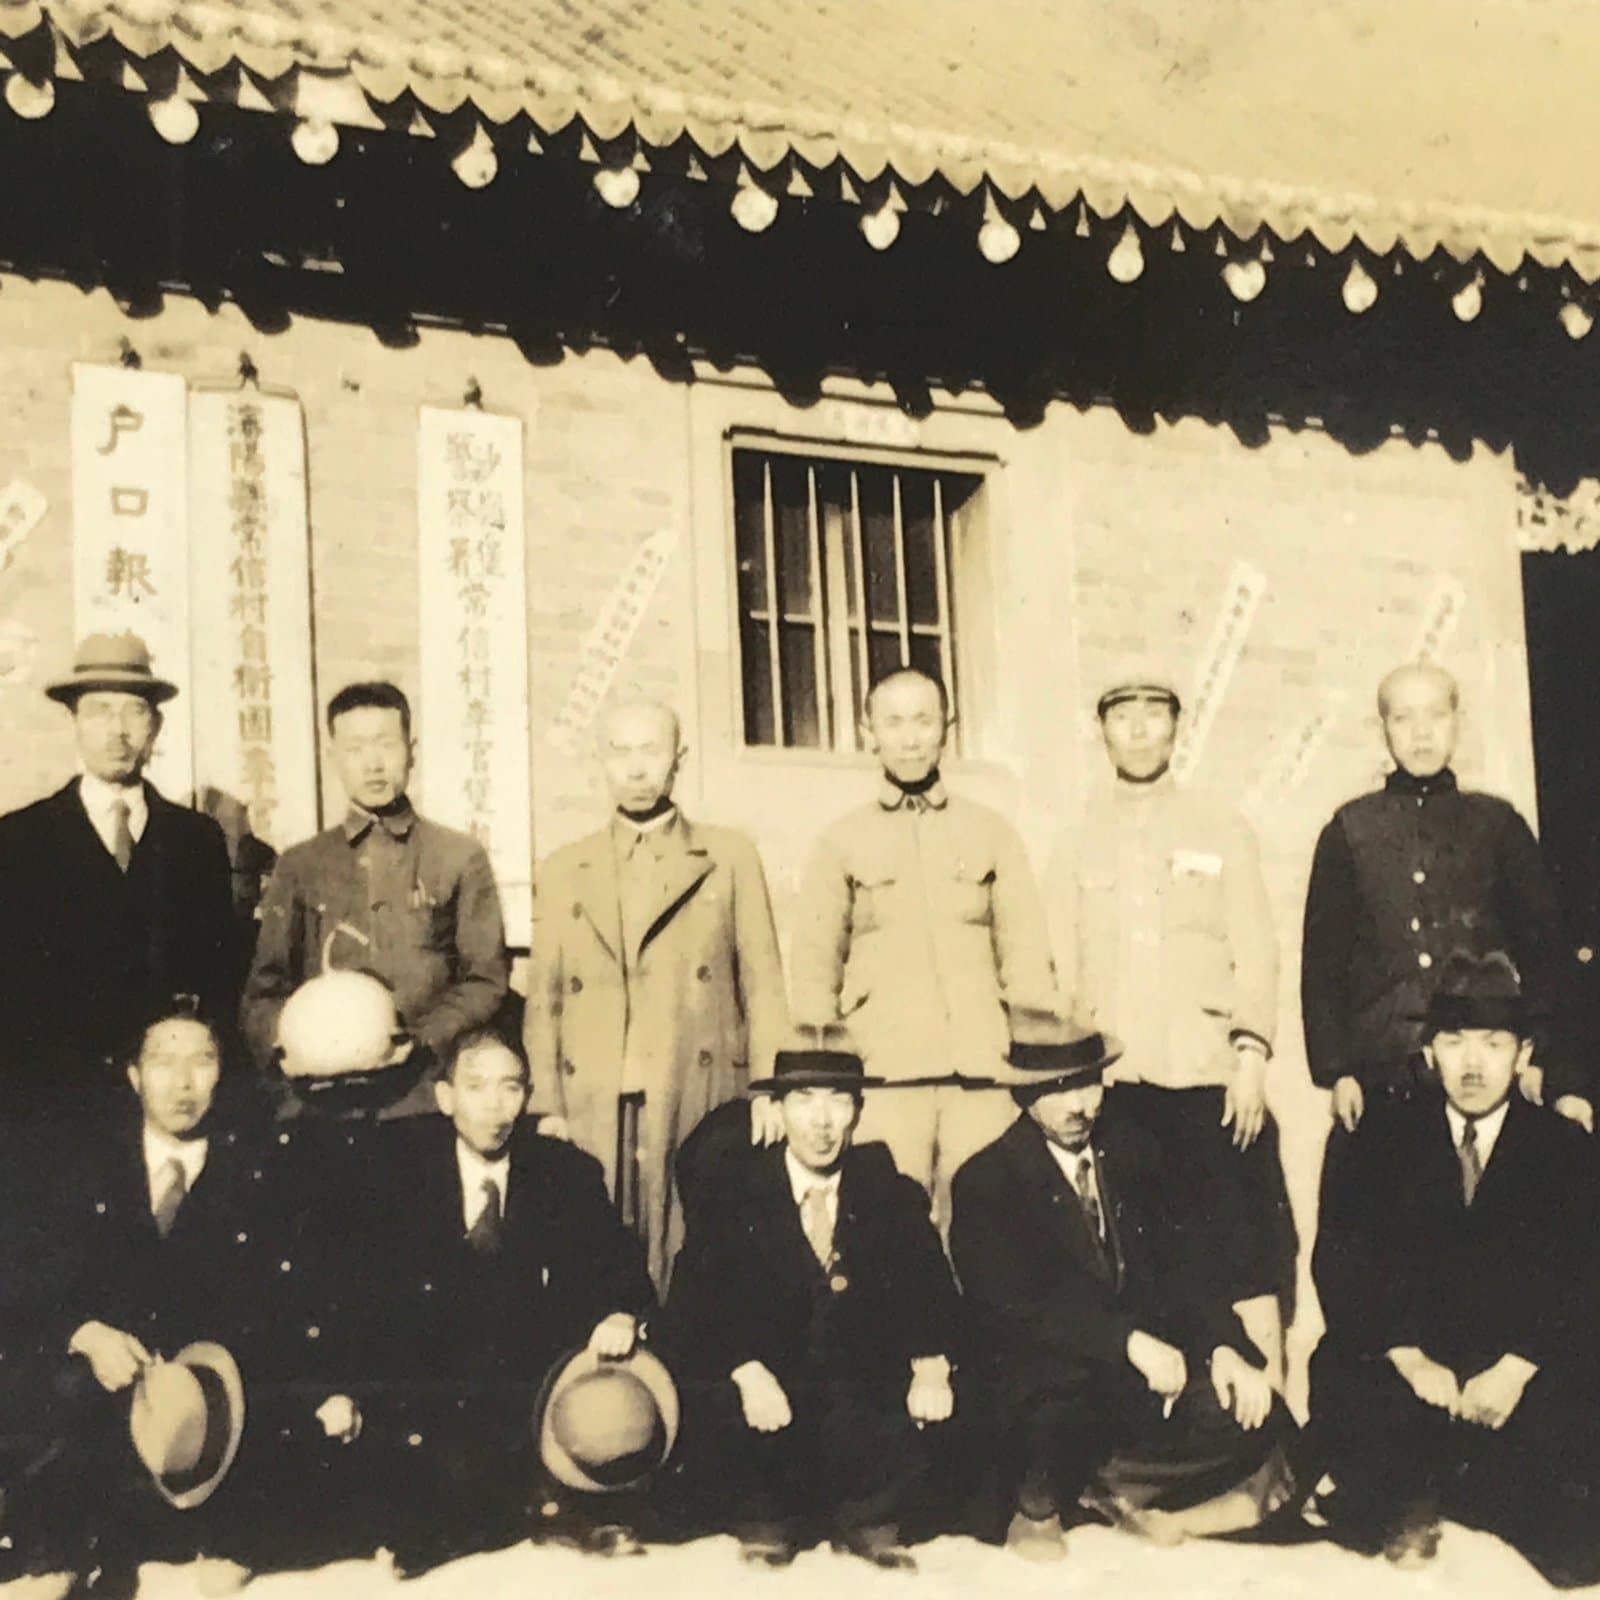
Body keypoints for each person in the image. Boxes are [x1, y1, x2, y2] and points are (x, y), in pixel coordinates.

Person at [0, 999, 352, 1590]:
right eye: (164, 1062)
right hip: (90, 1434)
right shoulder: (80, 1168)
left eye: (203, 1061)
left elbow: (292, 1323)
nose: (184, 1083)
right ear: (135, 1076)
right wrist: (84, 1333)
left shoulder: (264, 1176)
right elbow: (22, 1285)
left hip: (204, 1447)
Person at [949, 1013, 1296, 1562]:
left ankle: (1112, 1494)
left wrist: (1223, 1350)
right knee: (1049, 1414)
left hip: (1136, 1394)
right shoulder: (985, 1180)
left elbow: (1184, 1270)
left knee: (1260, 1414)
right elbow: (1021, 1310)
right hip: (1052, 1384)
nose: (1081, 1105)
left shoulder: (1134, 1152)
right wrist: (1129, 1342)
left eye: (1089, 1083)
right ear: (1022, 1094)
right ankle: (1073, 1491)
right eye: (1059, 1089)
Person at [1309, 951, 1600, 1583]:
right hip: (1415, 1365)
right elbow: (1339, 1261)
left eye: (1493, 1044)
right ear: (1430, 1052)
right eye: (1454, 1042)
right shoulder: (1377, 1135)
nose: (1472, 1064)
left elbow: (1584, 1279)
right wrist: (1406, 1353)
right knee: (1353, 1391)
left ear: (1523, 1055)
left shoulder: (1565, 1148)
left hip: (1514, 1369)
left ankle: (1461, 1490)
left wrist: (1518, 1366)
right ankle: (1421, 1493)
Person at [1045, 670, 1293, 1375]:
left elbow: (1256, 949)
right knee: (1144, 1256)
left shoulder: (1220, 826)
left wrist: (1250, 1060)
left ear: (1177, 728)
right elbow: (1058, 971)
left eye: (1156, 715)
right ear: (1104, 732)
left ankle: (1269, 1424)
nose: (1140, 730)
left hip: (1207, 1080)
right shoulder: (1077, 840)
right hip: (1119, 1087)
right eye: (1124, 716)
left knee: (1241, 1254)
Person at [354, 1031, 659, 1573]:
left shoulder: (566, 1172)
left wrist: (619, 1312)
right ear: (446, 1098)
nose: (495, 1107)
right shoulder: (394, 1166)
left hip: (530, 1377)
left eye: (511, 1088)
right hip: (430, 1379)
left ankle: (547, 1502)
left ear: (527, 1095)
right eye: (476, 1088)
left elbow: (620, 1264)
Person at [661, 1038, 960, 1569]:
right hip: (769, 1398)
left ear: (858, 1113)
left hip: (855, 1398)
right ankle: (765, 1515)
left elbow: (932, 1292)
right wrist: (747, 1370)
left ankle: (869, 1516)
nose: (822, 1121)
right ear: (775, 1111)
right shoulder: (733, 1195)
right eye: (803, 1100)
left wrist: (931, 1365)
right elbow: (693, 1307)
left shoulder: (891, 1191)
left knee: (924, 1399)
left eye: (839, 1100)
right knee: (720, 1391)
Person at [523, 696, 788, 1287]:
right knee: (597, 1243)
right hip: (596, 1087)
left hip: (696, 1082)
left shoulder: (727, 856)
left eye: (651, 750)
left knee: (692, 1240)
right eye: (620, 752)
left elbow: (764, 982)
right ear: (600, 761)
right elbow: (544, 998)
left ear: (679, 760)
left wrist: (769, 1087)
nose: (636, 768)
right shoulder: (567, 866)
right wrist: (546, 1103)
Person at [789, 668, 1055, 1226]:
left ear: (946, 730)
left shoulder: (992, 833)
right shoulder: (842, 840)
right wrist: (827, 1081)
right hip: (885, 1076)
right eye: (894, 722)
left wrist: (1030, 1065)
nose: (910, 737)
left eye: (923, 721)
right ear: (869, 732)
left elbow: (1026, 959)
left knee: (990, 1231)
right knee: (892, 1232)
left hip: (982, 1077)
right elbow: (815, 966)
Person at [1302, 661, 1588, 1133]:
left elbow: (1544, 952)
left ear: (1458, 722)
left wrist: (1545, 1054)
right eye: (1403, 718)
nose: (1421, 733)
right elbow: (1324, 966)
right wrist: (1339, 1072)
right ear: (1383, 730)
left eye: (1435, 715)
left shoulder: (1498, 826)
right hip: (1387, 1074)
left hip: (1487, 1077)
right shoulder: (1349, 831)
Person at [241, 682, 508, 1118]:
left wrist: (419, 1044)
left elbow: (485, 980)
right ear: (334, 758)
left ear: (411, 750)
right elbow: (263, 992)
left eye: (386, 744)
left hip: (423, 1100)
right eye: (355, 748)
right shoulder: (301, 865)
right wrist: (287, 1049)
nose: (373, 763)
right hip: (319, 1104)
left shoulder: (458, 857)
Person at [0, 632, 235, 1121]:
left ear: (156, 725)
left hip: (168, 1108)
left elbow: (216, 977)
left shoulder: (196, 839)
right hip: (54, 1102)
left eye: (133, 711)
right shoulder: (19, 840)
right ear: (75, 722)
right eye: (99, 711)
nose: (118, 731)